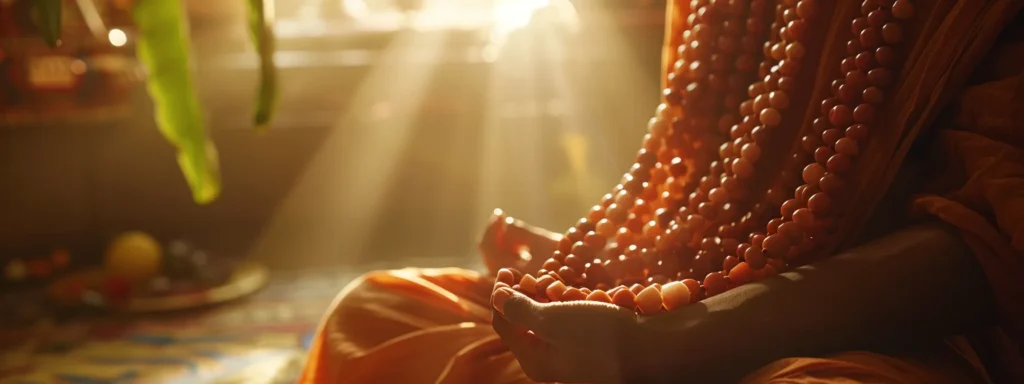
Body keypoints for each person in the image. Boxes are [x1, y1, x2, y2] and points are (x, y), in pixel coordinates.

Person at [299, 0, 1024, 382]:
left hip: (893, 335)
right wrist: (624, 263)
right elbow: (714, 155)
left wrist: (672, 343)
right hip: (703, 293)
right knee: (377, 314)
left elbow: (990, 234)